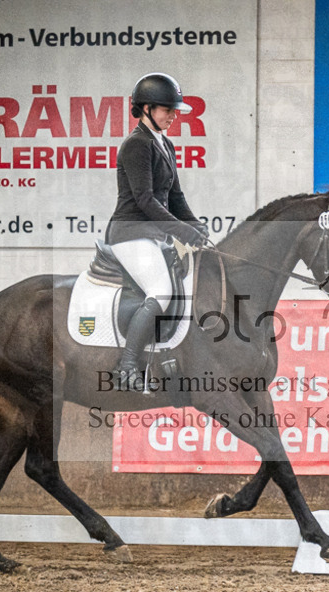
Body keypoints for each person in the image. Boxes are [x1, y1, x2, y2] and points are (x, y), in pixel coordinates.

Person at [105, 72, 209, 381]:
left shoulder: (166, 144)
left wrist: (194, 224)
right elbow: (145, 200)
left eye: (175, 110)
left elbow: (175, 196)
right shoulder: (136, 145)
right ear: (147, 108)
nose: (174, 116)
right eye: (168, 110)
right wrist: (181, 230)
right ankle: (126, 366)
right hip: (130, 234)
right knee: (161, 291)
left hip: (154, 236)